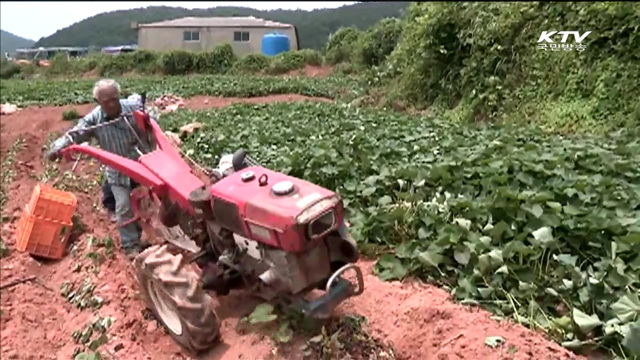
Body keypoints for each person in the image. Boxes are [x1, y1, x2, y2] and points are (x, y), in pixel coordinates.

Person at [46, 78, 149, 260]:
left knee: (150, 203)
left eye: (114, 99)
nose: (111, 104)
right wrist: (57, 147)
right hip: (118, 170)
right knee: (124, 206)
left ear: (119, 96)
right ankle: (131, 246)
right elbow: (75, 133)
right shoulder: (94, 119)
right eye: (106, 102)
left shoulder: (132, 108)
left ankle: (148, 234)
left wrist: (149, 121)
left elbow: (151, 118)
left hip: (141, 164)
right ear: (98, 103)